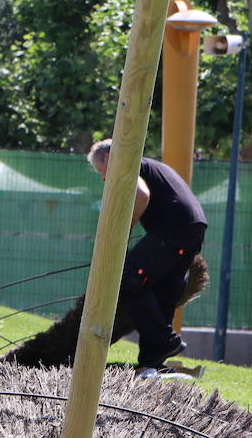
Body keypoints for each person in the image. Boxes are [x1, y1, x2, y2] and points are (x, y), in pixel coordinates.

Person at [87, 138, 207, 369]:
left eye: (101, 170)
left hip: (174, 228)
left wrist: (122, 232)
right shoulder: (150, 166)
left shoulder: (126, 164)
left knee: (126, 278)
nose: (103, 178)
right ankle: (151, 362)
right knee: (164, 293)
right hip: (194, 227)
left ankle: (164, 341)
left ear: (110, 158)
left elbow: (141, 195)